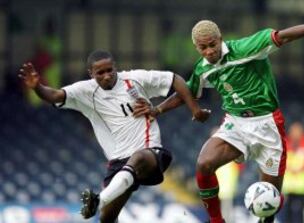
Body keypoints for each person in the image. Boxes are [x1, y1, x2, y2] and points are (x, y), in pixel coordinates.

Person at [133, 11, 304, 223]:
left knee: (269, 203)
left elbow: (282, 36)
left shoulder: (245, 48)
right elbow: (186, 92)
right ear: (197, 47)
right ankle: (216, 221)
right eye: (203, 48)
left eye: (212, 44)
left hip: (267, 125)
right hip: (236, 123)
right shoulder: (203, 68)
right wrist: (157, 110)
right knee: (204, 164)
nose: (209, 51)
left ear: (220, 38)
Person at [18, 50, 210, 223]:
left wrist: (194, 109)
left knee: (140, 156)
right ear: (91, 74)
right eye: (100, 73)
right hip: (118, 161)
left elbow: (175, 79)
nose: (107, 75)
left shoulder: (136, 79)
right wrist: (37, 88)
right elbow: (55, 95)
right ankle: (100, 203)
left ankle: (98, 200)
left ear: (116, 67)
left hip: (150, 152)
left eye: (110, 70)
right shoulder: (85, 91)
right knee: (107, 219)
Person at [282, 122, 304, 223]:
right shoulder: (286, 143)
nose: (295, 133)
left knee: (300, 211)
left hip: (301, 186)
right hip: (288, 186)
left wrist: (298, 169)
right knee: (287, 211)